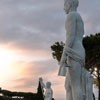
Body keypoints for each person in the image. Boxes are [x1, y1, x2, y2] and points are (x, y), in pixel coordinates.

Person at [58, 0, 93, 100]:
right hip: (79, 50)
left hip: (73, 51)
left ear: (69, 4)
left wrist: (63, 56)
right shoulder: (79, 17)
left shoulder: (71, 16)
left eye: (64, 5)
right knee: (68, 85)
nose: (64, 7)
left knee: (75, 85)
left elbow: (71, 37)